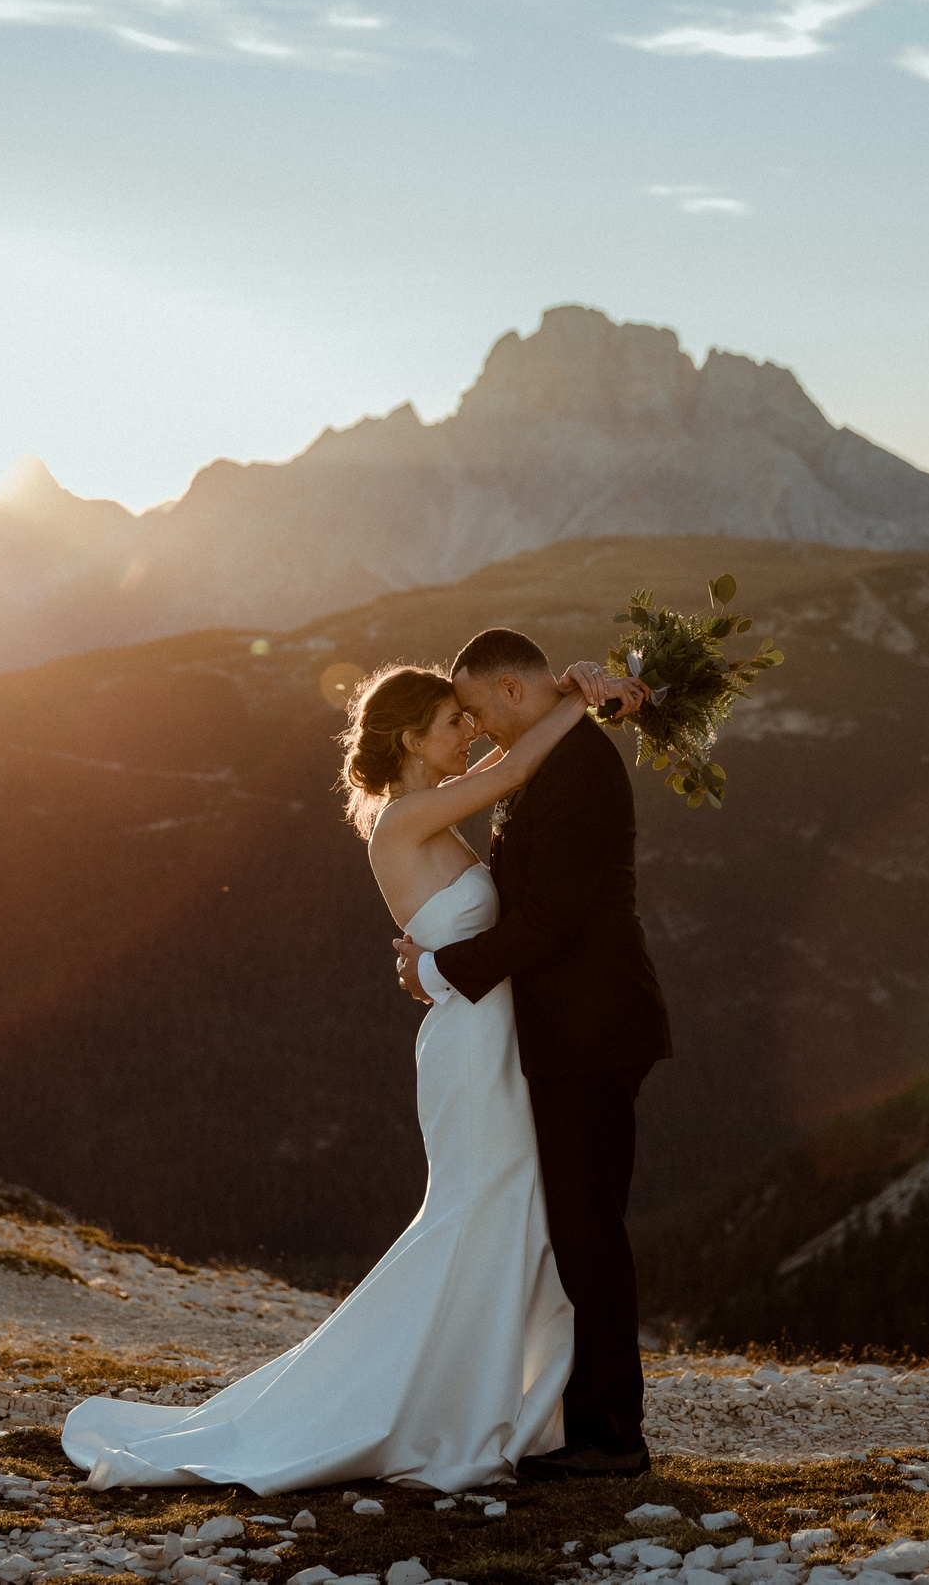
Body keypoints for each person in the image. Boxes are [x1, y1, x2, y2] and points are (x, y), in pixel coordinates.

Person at [59, 653, 646, 1493]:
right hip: (474, 1048)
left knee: (508, 1211)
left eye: (470, 717)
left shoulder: (429, 812)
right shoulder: (402, 821)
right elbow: (517, 763)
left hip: (497, 1038)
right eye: (454, 721)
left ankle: (491, 1400)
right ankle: (424, 1404)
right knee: (479, 1207)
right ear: (412, 736)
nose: (470, 731)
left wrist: (569, 690)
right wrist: (587, 697)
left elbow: (508, 757)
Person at [395, 627, 672, 1480]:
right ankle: (582, 1419)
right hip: (567, 1028)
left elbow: (549, 922)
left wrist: (438, 966)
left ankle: (611, 1437)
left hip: (591, 1026)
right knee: (575, 1226)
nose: (474, 727)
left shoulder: (579, 767)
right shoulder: (554, 753)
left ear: (513, 690)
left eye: (475, 707)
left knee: (589, 1231)